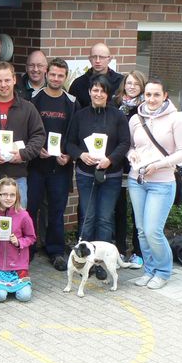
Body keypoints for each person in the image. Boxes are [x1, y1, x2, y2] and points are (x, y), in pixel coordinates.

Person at [0, 61, 44, 275]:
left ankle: (17, 260)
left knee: (18, 219)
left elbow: (38, 136)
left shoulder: (27, 108)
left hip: (16, 175)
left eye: (7, 80)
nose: (3, 85)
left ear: (14, 79)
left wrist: (22, 154)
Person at [127, 78, 182, 290]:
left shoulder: (176, 119)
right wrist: (131, 155)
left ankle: (163, 272)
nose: (152, 99)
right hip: (137, 180)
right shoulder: (136, 119)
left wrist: (159, 165)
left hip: (162, 182)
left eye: (156, 95)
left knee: (153, 230)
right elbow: (130, 146)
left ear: (165, 96)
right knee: (141, 230)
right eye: (148, 94)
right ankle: (149, 270)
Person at [66, 76, 130, 280]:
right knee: (88, 217)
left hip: (111, 175)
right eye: (95, 90)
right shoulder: (80, 116)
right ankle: (83, 261)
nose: (98, 94)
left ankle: (102, 262)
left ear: (108, 94)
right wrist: (80, 155)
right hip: (86, 174)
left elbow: (125, 143)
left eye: (102, 91)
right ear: (89, 92)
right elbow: (69, 143)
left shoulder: (117, 116)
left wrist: (110, 160)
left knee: (104, 218)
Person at [27, 58, 77, 271]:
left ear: (65, 77)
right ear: (46, 74)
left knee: (57, 211)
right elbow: (26, 128)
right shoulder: (34, 99)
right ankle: (27, 249)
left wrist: (68, 154)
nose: (56, 79)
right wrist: (35, 148)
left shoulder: (72, 102)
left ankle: (55, 251)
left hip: (60, 167)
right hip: (36, 166)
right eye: (53, 74)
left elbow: (75, 134)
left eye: (60, 75)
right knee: (30, 209)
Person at [0, 178, 36, 303]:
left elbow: (31, 237)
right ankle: (1, 286)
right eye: (4, 194)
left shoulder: (23, 215)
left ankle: (15, 286)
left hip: (18, 265)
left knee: (25, 296)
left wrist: (19, 242)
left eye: (12, 195)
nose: (8, 198)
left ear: (17, 196)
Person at [113, 70, 147, 265]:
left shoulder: (145, 108)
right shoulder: (116, 104)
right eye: (129, 83)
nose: (132, 86)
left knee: (137, 210)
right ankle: (119, 249)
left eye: (136, 83)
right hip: (117, 162)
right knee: (118, 208)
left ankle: (139, 251)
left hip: (137, 164)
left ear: (142, 86)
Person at [69, 43, 125, 109]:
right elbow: (72, 109)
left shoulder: (121, 82)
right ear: (90, 59)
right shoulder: (78, 84)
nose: (97, 61)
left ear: (109, 59)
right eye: (94, 57)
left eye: (101, 57)